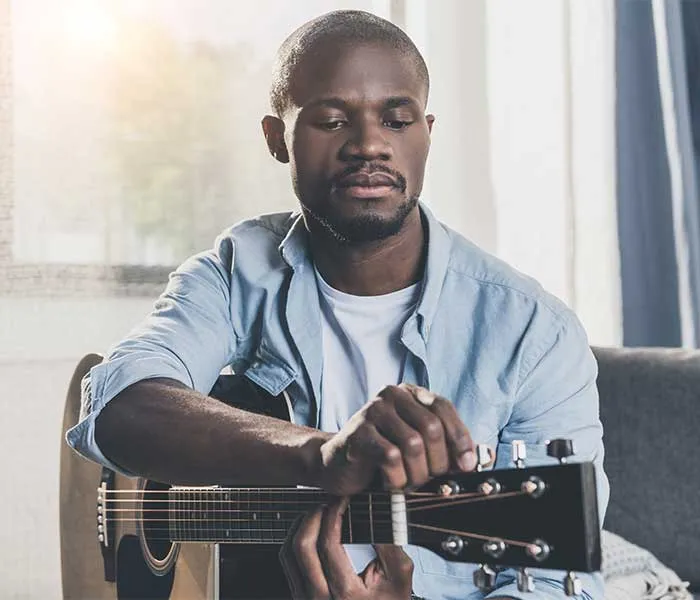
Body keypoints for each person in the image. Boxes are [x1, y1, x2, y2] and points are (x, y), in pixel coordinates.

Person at [67, 9, 609, 600]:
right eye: (331, 120)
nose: (370, 144)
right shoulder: (235, 270)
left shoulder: (535, 332)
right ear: (279, 139)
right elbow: (117, 405)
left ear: (428, 133)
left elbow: (561, 586)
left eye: (397, 120)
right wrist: (322, 456)